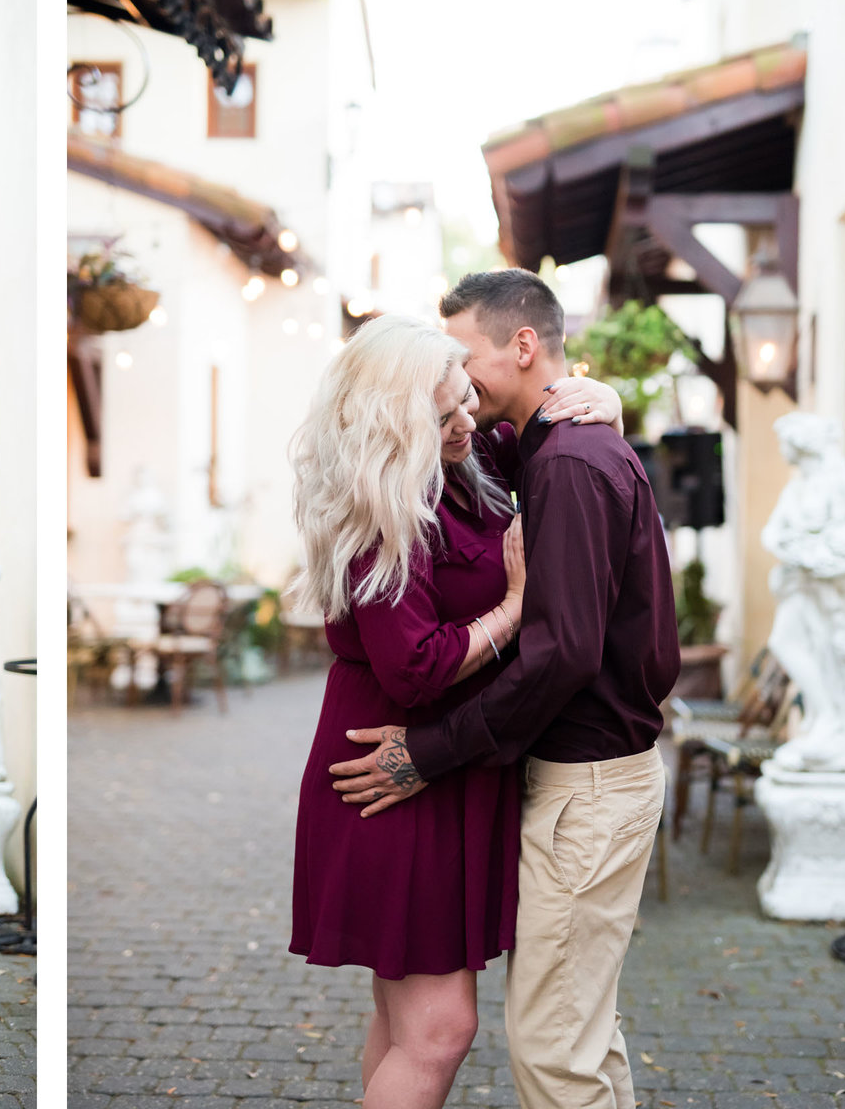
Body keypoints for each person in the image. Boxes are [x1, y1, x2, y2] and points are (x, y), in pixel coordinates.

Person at [332, 268, 680, 1109]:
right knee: (560, 1036)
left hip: (576, 784)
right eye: (442, 390)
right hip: (480, 780)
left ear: (522, 346)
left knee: (555, 1046)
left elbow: (561, 654)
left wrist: (432, 753)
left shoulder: (562, 457)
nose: (461, 398)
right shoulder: (509, 454)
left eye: (466, 366)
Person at [285, 312, 620, 1109]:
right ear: (395, 427)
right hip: (391, 774)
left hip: (440, 775)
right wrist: (512, 607)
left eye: (466, 396)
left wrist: (600, 396)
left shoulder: (467, 462)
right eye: (444, 414)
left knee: (408, 1025)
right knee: (440, 1030)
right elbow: (415, 665)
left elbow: (537, 426)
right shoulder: (381, 516)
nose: (468, 419)